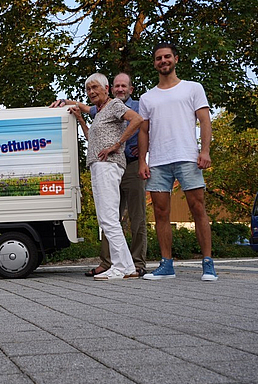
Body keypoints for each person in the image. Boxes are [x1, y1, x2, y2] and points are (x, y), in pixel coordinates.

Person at [51, 73, 148, 277]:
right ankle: (123, 266)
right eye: (88, 89)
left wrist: (117, 144)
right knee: (106, 219)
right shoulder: (100, 112)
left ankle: (124, 267)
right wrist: (80, 119)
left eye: (95, 87)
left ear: (106, 88)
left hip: (109, 164)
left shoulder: (114, 105)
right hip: (98, 164)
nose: (91, 92)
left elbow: (137, 119)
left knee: (110, 218)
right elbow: (92, 139)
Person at [138, 42, 218, 281]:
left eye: (167, 57)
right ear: (154, 63)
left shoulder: (193, 88)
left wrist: (205, 151)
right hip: (159, 162)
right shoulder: (147, 97)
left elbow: (205, 121)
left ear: (176, 59)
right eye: (158, 58)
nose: (163, 61)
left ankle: (208, 264)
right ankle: (166, 265)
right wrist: (143, 161)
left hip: (187, 157)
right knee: (161, 213)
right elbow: (143, 132)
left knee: (198, 209)